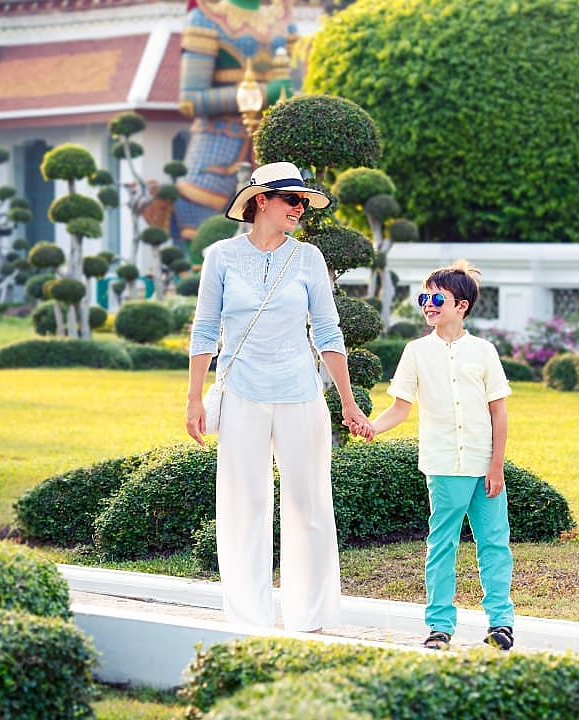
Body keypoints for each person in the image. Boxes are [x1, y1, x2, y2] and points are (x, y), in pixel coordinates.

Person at [185, 161, 372, 633]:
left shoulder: (308, 258)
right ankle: (251, 617)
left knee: (308, 504)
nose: (300, 209)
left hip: (299, 394)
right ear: (261, 200)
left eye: (304, 202)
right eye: (292, 199)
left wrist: (347, 402)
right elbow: (205, 329)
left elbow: (328, 331)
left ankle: (308, 616)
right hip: (241, 392)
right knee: (243, 505)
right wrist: (192, 398)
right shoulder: (220, 257)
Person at [365, 260, 515, 651]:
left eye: (436, 298)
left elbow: (498, 411)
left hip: (484, 464)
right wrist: (371, 427)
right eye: (423, 298)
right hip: (444, 464)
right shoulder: (415, 352)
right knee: (442, 544)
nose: (427, 305)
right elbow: (400, 407)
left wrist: (496, 465)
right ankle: (439, 627)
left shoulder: (483, 352)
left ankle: (501, 623)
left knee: (494, 543)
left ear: (460, 305)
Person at [174, 0, 299, 240]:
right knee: (194, 209)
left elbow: (295, 86)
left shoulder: (283, 21)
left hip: (274, 138)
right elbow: (190, 100)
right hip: (219, 139)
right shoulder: (206, 18)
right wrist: (263, 94)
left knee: (296, 207)